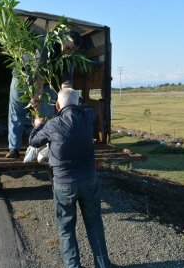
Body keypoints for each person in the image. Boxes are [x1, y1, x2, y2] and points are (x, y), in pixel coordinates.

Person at [29, 88, 111, 268]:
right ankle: (103, 265)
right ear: (78, 103)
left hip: (64, 184)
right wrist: (75, 101)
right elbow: (89, 108)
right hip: (89, 181)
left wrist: (38, 125)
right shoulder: (87, 117)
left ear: (57, 106)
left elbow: (34, 142)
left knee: (66, 228)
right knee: (95, 224)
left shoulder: (52, 125)